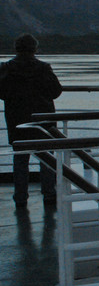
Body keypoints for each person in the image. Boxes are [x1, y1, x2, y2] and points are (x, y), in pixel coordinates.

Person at [0, 34, 62, 208]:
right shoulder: (43, 68)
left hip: (17, 121)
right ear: (35, 49)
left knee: (20, 160)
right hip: (43, 121)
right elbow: (56, 91)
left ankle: (20, 197)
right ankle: (49, 195)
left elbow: (2, 92)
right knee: (46, 158)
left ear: (16, 48)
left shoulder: (5, 68)